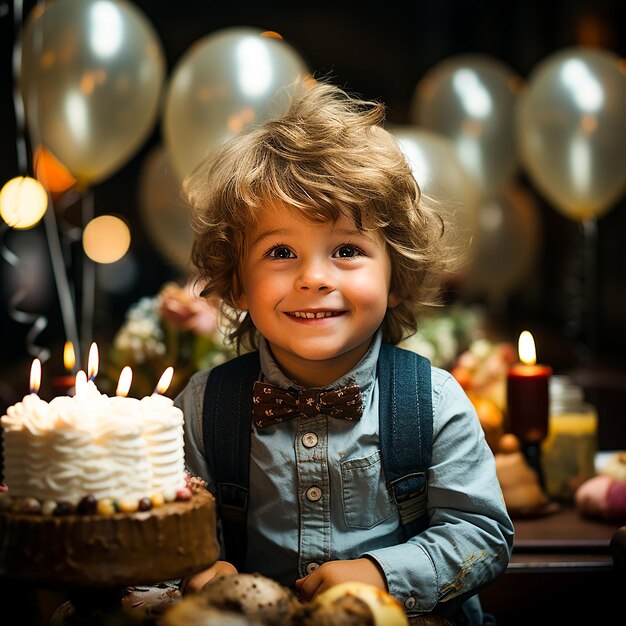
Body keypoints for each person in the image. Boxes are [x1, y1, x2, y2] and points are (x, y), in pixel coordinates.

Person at [174, 78, 514, 624]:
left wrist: (384, 572)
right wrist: (199, 570)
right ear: (237, 284)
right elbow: (171, 533)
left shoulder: (434, 402)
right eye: (281, 251)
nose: (313, 278)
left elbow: (483, 536)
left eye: (347, 250)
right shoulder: (201, 407)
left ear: (395, 276)